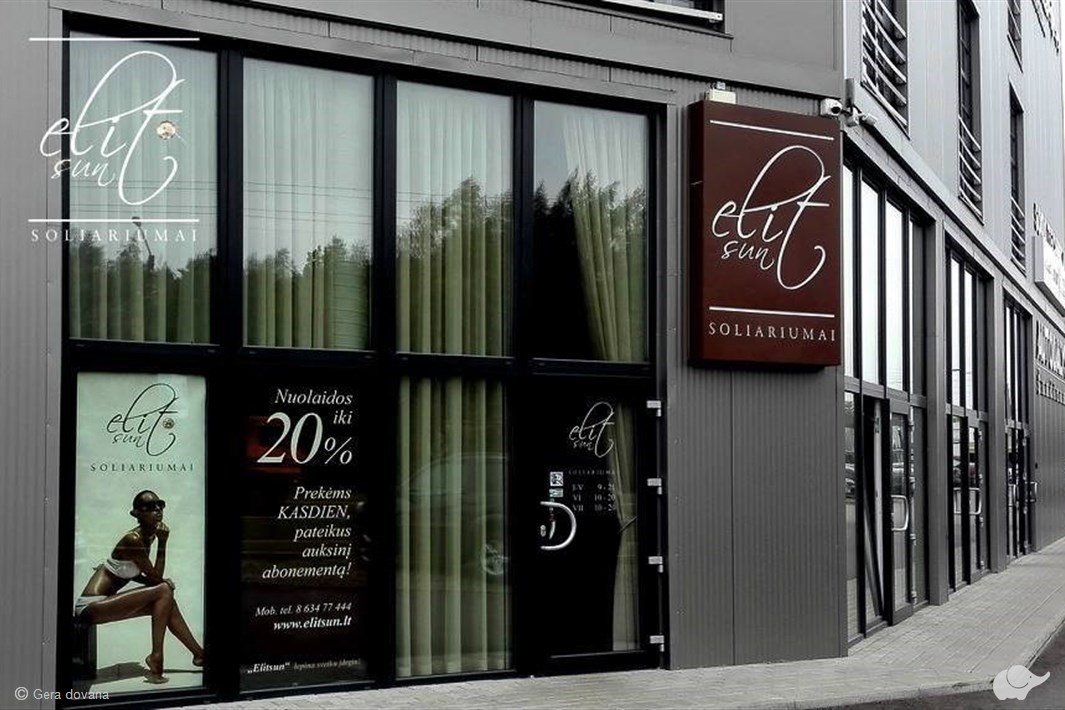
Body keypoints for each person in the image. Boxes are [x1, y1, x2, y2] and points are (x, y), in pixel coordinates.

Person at [74, 490, 203, 680]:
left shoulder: (148, 536)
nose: (157, 510)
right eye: (150, 507)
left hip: (105, 604)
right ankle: (157, 656)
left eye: (160, 505)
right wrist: (163, 543)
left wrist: (159, 581)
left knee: (167, 602)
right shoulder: (132, 540)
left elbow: (139, 575)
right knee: (164, 590)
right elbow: (156, 578)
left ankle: (199, 654)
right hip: (90, 607)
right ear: (137, 513)